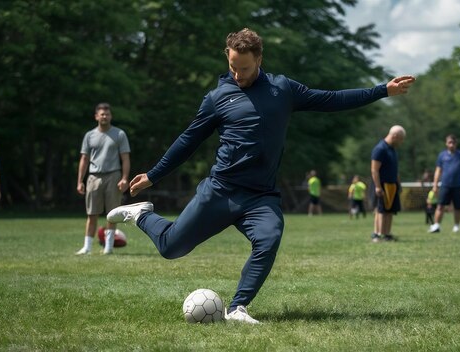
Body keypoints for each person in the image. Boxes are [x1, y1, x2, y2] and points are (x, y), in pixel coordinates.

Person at [106, 28, 415, 323]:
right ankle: (141, 215)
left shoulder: (283, 89)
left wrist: (382, 90)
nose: (236, 75)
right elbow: (188, 140)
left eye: (243, 69)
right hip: (220, 191)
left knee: (268, 239)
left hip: (260, 197)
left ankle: (238, 307)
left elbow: (332, 99)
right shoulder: (217, 97)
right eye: (232, 67)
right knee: (171, 248)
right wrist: (154, 175)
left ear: (259, 60)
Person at [75, 103, 131, 255]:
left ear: (110, 116)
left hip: (114, 176)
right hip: (94, 177)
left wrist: (125, 178)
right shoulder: (89, 136)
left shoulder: (119, 134)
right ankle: (86, 247)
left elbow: (125, 158)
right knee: (92, 213)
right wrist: (80, 180)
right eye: (101, 114)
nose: (104, 116)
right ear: (96, 116)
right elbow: (84, 159)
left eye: (107, 114)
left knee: (112, 214)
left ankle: (109, 247)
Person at [428, 135, 460, 233]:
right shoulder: (442, 156)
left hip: (458, 186)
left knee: (458, 207)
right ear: (446, 143)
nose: (451, 145)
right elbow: (438, 171)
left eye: (453, 142)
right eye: (449, 142)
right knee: (440, 206)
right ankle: (436, 225)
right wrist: (435, 185)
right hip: (445, 185)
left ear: (456, 143)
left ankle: (456, 226)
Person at [370, 126, 406, 243]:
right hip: (382, 184)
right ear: (394, 136)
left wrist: (398, 184)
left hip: (392, 184)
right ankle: (378, 235)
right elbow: (374, 170)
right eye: (401, 139)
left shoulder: (392, 149)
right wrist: (378, 186)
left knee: (390, 211)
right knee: (381, 210)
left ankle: (386, 234)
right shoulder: (380, 149)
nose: (401, 142)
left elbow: (394, 169)